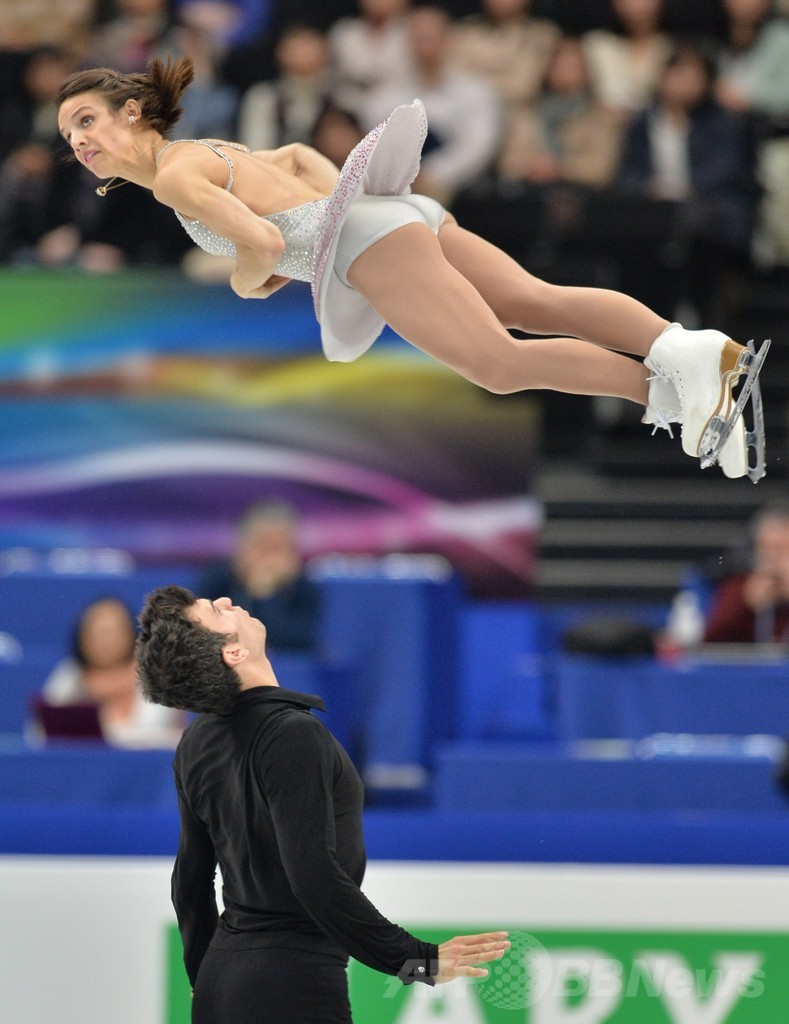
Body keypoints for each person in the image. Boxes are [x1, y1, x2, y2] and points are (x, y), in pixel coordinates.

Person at [55, 54, 769, 480]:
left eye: (87, 120)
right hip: (392, 216)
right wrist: (336, 213)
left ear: (132, 111)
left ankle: (675, 392)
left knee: (498, 364)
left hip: (369, 242)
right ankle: (692, 354)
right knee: (533, 300)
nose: (80, 140)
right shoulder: (205, 151)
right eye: (68, 135)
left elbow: (263, 247)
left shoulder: (175, 177)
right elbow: (297, 157)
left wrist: (251, 279)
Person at [136, 584, 509, 1022]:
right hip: (289, 982)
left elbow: (190, 880)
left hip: (223, 979)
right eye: (216, 612)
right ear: (233, 652)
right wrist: (417, 961)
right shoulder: (292, 735)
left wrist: (207, 978)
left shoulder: (196, 741)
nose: (225, 601)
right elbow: (313, 876)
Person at [38, 595, 184, 747]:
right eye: (96, 631)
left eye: (111, 631)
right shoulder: (69, 677)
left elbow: (166, 738)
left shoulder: (156, 676)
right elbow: (40, 734)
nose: (104, 640)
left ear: (130, 633)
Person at [196, 500, 320, 652]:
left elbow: (297, 640)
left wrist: (266, 595)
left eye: (277, 548)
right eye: (261, 546)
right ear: (241, 545)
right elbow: (202, 635)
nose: (268, 559)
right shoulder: (216, 581)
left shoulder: (304, 588)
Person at [704, 503, 789, 643]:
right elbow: (711, 639)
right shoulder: (740, 585)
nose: (773, 557)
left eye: (782, 549)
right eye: (767, 548)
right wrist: (744, 603)